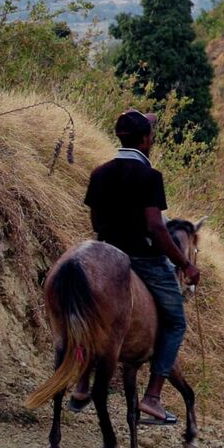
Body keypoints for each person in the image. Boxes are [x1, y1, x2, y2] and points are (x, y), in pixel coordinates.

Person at [78, 109, 201, 425]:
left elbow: (95, 220)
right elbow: (156, 228)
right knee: (175, 322)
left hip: (103, 254)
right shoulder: (149, 177)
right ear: (146, 141)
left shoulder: (100, 173)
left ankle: (80, 382)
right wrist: (184, 264)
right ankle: (153, 397)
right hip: (143, 261)